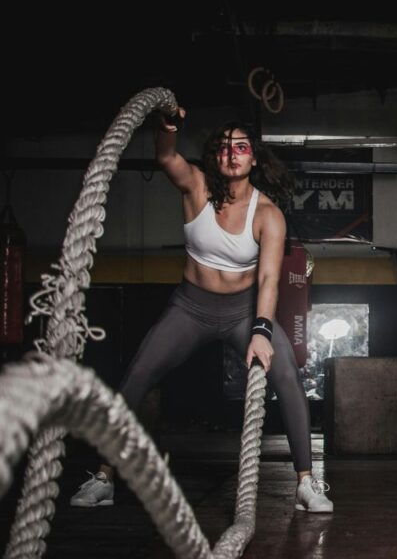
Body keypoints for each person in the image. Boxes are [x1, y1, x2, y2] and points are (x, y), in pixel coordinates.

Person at [70, 108, 333, 513]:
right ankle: (104, 477)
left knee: (288, 376)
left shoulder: (268, 215)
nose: (232, 154)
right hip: (190, 307)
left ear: (254, 158)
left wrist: (262, 331)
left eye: (241, 147)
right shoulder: (195, 187)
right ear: (216, 156)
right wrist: (167, 128)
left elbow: (268, 280)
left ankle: (306, 483)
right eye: (224, 147)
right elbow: (166, 158)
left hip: (244, 311)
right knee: (138, 374)